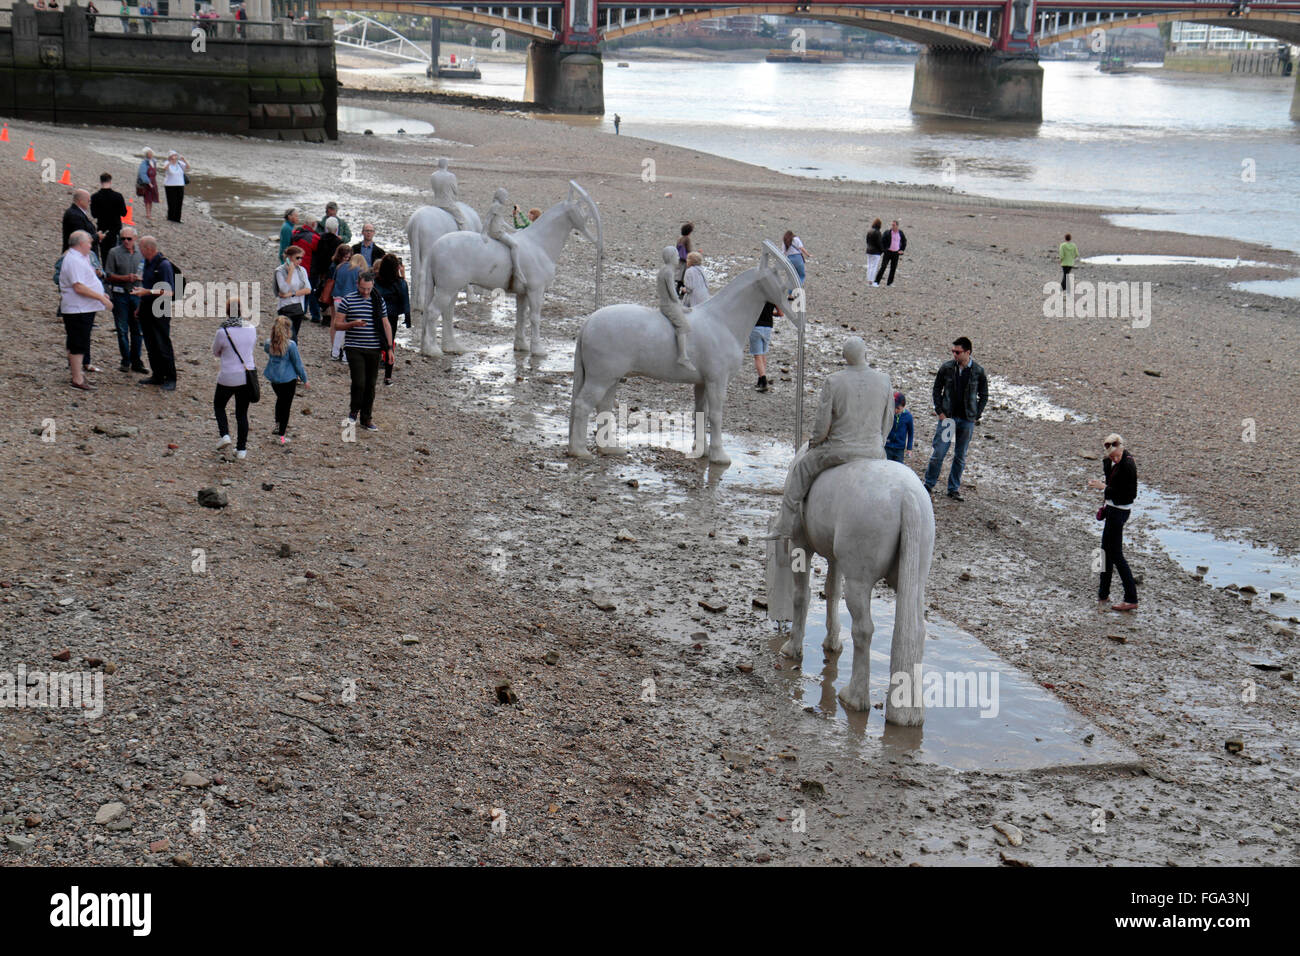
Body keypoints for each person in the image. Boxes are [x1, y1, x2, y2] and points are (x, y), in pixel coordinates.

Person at [768, 337, 893, 540]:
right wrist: (878, 444)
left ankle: (783, 525)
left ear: (845, 357)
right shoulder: (884, 380)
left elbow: (822, 425)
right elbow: (887, 422)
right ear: (865, 355)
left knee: (801, 469)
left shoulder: (834, 381)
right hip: (874, 450)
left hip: (839, 450)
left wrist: (815, 443)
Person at [923, 336, 988, 501]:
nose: (954, 355)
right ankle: (928, 485)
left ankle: (953, 489)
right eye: (953, 351)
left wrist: (976, 415)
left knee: (960, 456)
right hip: (948, 419)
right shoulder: (946, 368)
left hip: (967, 421)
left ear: (968, 352)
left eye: (957, 352)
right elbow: (936, 389)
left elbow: (984, 395)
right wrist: (940, 412)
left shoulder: (978, 372)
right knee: (939, 453)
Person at [335, 270, 392, 432]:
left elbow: (386, 324)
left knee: (371, 385)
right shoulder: (348, 300)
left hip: (374, 348)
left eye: (368, 288)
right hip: (354, 347)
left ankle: (366, 418)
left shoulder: (378, 300)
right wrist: (353, 324)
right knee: (359, 382)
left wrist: (389, 348)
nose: (365, 292)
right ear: (357, 285)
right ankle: (354, 411)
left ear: (373, 285)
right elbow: (337, 325)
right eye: (362, 288)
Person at [1088, 434, 1139, 611]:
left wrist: (1105, 488)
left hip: (1119, 512)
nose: (1115, 459)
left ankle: (1131, 598)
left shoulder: (1128, 466)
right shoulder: (1117, 463)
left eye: (1117, 455)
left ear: (1122, 448)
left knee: (1116, 555)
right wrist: (1106, 470)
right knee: (1105, 552)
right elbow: (1114, 483)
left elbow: (1128, 495)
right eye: (1112, 457)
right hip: (1113, 511)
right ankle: (1103, 594)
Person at [59, 231, 113, 391]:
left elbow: (87, 281)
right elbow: (79, 286)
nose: (91, 245)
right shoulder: (74, 259)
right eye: (89, 242)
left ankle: (77, 374)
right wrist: (101, 298)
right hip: (77, 309)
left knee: (78, 340)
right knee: (78, 342)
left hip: (82, 308)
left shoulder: (80, 258)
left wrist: (100, 293)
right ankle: (77, 379)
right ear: (81, 244)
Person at [212, 300, 258, 460]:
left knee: (219, 405)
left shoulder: (223, 332)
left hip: (228, 376)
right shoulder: (251, 329)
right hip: (245, 376)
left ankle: (225, 434)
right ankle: (242, 449)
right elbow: (251, 348)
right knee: (242, 413)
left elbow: (215, 352)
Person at [132, 235, 177, 391]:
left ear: (149, 249)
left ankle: (171, 378)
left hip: (160, 308)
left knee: (162, 343)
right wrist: (139, 307)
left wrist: (147, 291)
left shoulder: (163, 265)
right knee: (150, 343)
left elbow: (169, 291)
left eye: (141, 248)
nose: (139, 251)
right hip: (146, 307)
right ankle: (157, 375)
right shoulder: (147, 263)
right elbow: (146, 285)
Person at [104, 228, 147, 373]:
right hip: (120, 295)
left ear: (135, 238)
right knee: (122, 330)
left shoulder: (142, 253)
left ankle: (137, 361)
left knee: (137, 330)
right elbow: (108, 275)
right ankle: (125, 360)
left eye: (129, 239)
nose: (126, 242)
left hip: (137, 294)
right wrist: (125, 278)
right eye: (123, 239)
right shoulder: (114, 253)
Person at [264, 315, 309, 444]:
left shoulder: (269, 343)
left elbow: (266, 350)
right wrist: (305, 379)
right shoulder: (291, 345)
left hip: (274, 379)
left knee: (280, 401)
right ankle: (282, 436)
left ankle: (277, 424)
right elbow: (297, 363)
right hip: (288, 379)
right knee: (286, 406)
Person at [656, 245, 695, 372]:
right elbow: (672, 293)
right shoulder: (668, 271)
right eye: (677, 256)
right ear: (672, 257)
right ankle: (682, 356)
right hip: (668, 304)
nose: (679, 258)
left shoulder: (664, 269)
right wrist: (679, 303)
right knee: (683, 327)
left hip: (666, 303)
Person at [375, 254, 411, 385]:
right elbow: (406, 301)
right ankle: (388, 376)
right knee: (390, 343)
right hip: (392, 315)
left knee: (375, 340)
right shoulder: (400, 283)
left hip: (377, 314)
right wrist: (407, 318)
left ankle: (373, 369)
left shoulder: (376, 280)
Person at [482, 187, 522, 289]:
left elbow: (501, 221)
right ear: (500, 197)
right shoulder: (496, 206)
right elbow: (487, 219)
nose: (506, 199)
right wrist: (484, 233)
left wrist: (513, 230)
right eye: (505, 197)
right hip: (497, 233)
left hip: (499, 230)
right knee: (515, 245)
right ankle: (517, 269)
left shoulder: (498, 206)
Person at [275, 244, 311, 343]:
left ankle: (287, 356)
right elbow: (283, 290)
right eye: (297, 258)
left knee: (291, 338)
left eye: (301, 258)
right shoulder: (280, 271)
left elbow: (308, 289)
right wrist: (290, 272)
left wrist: (292, 294)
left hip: (299, 308)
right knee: (292, 339)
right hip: (285, 308)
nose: (300, 260)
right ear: (289, 258)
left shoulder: (302, 270)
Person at [327, 248, 359, 360]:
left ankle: (335, 353)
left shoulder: (339, 267)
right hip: (349, 300)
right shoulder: (356, 269)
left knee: (339, 326)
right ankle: (346, 356)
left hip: (337, 298)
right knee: (349, 328)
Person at [90, 173, 127, 261]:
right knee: (116, 255)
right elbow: (124, 213)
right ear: (110, 181)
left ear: (100, 181)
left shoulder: (95, 197)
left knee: (104, 255)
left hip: (102, 229)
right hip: (115, 229)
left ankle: (105, 273)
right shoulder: (118, 196)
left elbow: (94, 214)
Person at [430, 158, 466, 229]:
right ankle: (463, 232)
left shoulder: (433, 175)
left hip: (435, 203)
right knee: (461, 219)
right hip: (447, 204)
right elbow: (455, 191)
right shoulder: (451, 176)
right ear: (446, 165)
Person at [62, 189, 102, 253]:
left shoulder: (77, 213)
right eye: (88, 201)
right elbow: (80, 238)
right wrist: (97, 237)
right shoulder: (74, 215)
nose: (90, 203)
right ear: (80, 201)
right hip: (77, 254)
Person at [750, 300, 775, 392]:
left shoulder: (757, 297)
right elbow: (781, 313)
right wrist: (771, 313)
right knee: (763, 354)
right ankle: (760, 379)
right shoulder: (773, 298)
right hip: (768, 327)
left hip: (756, 327)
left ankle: (763, 380)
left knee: (757, 355)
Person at [875, 220, 906, 286]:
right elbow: (882, 241)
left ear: (897, 226)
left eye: (894, 225)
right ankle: (876, 282)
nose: (892, 226)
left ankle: (890, 283)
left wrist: (902, 250)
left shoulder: (900, 233)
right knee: (883, 267)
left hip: (896, 253)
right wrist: (884, 249)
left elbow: (904, 241)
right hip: (888, 252)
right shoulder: (887, 232)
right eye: (892, 225)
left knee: (893, 268)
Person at [885, 391, 914, 463]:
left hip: (899, 448)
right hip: (887, 446)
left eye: (898, 408)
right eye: (893, 407)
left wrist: (909, 448)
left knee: (898, 466)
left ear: (903, 406)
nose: (895, 410)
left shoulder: (908, 417)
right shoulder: (888, 414)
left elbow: (910, 433)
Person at [136, 148, 159, 221]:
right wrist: (148, 182)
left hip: (153, 181)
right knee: (147, 198)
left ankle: (149, 214)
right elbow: (142, 174)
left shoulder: (154, 162)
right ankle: (148, 214)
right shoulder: (144, 163)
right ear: (146, 155)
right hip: (147, 183)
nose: (150, 155)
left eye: (151, 153)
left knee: (151, 198)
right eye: (149, 153)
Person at [865, 217, 885, 289]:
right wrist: (883, 250)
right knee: (874, 266)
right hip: (876, 252)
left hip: (869, 250)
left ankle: (869, 281)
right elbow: (879, 243)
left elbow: (867, 241)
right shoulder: (878, 233)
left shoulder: (869, 231)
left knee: (869, 266)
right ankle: (872, 281)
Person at [675, 223, 694, 291]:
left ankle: (678, 288)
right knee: (685, 275)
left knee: (680, 274)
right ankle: (683, 290)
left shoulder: (680, 238)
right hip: (686, 259)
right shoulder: (687, 239)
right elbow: (689, 249)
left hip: (680, 258)